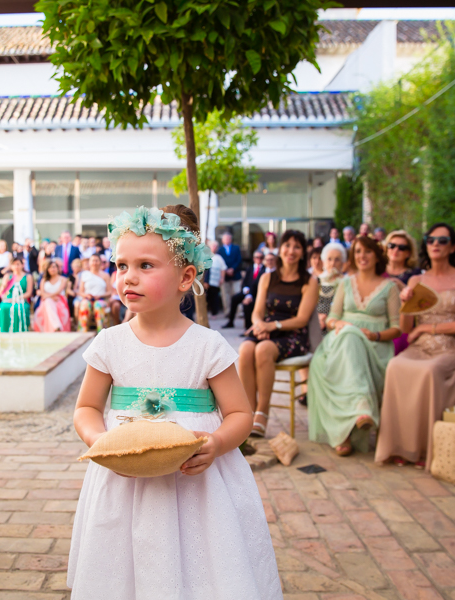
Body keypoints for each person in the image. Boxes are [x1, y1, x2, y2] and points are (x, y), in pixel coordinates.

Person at [68, 204, 279, 599]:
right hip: (124, 482)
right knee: (126, 569)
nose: (129, 276)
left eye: (146, 265)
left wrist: (215, 443)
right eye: (121, 265)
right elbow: (86, 408)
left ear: (186, 277)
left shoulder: (207, 346)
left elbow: (238, 413)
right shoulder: (110, 344)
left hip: (197, 485)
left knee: (202, 568)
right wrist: (100, 442)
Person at [375, 224, 455, 468]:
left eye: (442, 241)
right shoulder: (416, 279)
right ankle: (390, 442)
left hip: (438, 344)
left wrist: (422, 326)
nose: (435, 245)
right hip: (407, 343)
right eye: (431, 240)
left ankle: (420, 447)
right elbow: (407, 327)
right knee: (393, 365)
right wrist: (404, 303)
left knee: (423, 370)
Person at [307, 235, 401, 457]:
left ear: (377, 255)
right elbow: (331, 318)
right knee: (348, 336)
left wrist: (376, 334)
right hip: (341, 342)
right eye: (358, 252)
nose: (362, 256)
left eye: (367, 251)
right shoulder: (345, 284)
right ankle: (359, 410)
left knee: (352, 338)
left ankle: (345, 433)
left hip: (375, 346)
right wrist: (338, 323)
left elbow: (397, 328)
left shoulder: (390, 287)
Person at [237, 230, 318, 437]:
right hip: (268, 329)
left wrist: (273, 327)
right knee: (245, 348)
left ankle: (262, 414)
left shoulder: (311, 281)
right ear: (279, 249)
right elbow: (257, 312)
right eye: (287, 245)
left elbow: (304, 319)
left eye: (297, 246)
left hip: (294, 333)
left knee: (263, 349)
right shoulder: (267, 277)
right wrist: (259, 325)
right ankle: (247, 413)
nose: (291, 250)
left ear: (303, 252)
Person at [383, 230, 422, 354]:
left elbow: (419, 305)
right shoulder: (376, 271)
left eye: (402, 248)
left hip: (402, 325)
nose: (395, 250)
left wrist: (402, 287)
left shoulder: (415, 275)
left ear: (408, 253)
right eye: (392, 245)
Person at [224, 251, 264, 330]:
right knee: (234, 298)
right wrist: (245, 288)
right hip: (247, 291)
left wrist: (250, 295)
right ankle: (230, 321)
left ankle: (248, 327)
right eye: (257, 257)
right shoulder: (250, 268)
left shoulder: (264, 269)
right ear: (254, 258)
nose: (259, 259)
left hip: (257, 293)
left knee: (247, 304)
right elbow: (245, 281)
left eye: (261, 258)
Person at [78, 254, 113, 332]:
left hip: (101, 299)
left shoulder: (105, 275)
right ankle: (82, 331)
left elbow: (109, 292)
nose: (94, 262)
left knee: (98, 305)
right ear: (89, 262)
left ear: (100, 262)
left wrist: (100, 295)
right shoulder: (85, 275)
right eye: (92, 260)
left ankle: (101, 331)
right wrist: (86, 295)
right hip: (88, 299)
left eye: (96, 260)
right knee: (84, 305)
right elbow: (80, 291)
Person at [0, 256, 34, 333]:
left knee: (19, 308)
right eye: (14, 264)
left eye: (18, 264)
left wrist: (16, 298)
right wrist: (3, 285)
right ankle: (4, 331)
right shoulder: (8, 276)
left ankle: (20, 331)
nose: (16, 266)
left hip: (22, 300)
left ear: (22, 265)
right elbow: (0, 292)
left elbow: (29, 293)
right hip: (9, 299)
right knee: (3, 307)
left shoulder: (28, 276)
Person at [33, 260, 71, 332]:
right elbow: (42, 292)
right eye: (50, 267)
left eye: (54, 267)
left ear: (57, 268)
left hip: (59, 300)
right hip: (46, 301)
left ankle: (56, 326)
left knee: (48, 301)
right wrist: (50, 297)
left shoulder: (63, 279)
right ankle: (56, 325)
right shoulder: (44, 280)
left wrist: (48, 296)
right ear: (47, 269)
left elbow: (59, 291)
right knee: (48, 302)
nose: (52, 269)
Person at [317, 243, 346, 333]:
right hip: (317, 323)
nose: (333, 263)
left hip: (338, 324)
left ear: (342, 262)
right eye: (329, 259)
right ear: (324, 261)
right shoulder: (317, 280)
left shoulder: (346, 282)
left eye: (337, 259)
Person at [217, 230, 242, 303]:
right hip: (225, 276)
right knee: (225, 295)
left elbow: (239, 260)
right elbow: (220, 262)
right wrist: (226, 271)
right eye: (225, 239)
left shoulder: (236, 248)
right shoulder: (220, 250)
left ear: (231, 239)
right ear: (222, 240)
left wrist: (232, 269)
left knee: (237, 293)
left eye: (228, 238)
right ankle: (227, 312)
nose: (227, 240)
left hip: (236, 275)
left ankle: (238, 312)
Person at [205, 240, 226, 316]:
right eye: (212, 246)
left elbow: (223, 268)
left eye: (215, 246)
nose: (214, 248)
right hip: (207, 281)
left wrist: (222, 278)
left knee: (215, 297)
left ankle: (214, 313)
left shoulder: (219, 257)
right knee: (207, 297)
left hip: (215, 281)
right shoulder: (206, 256)